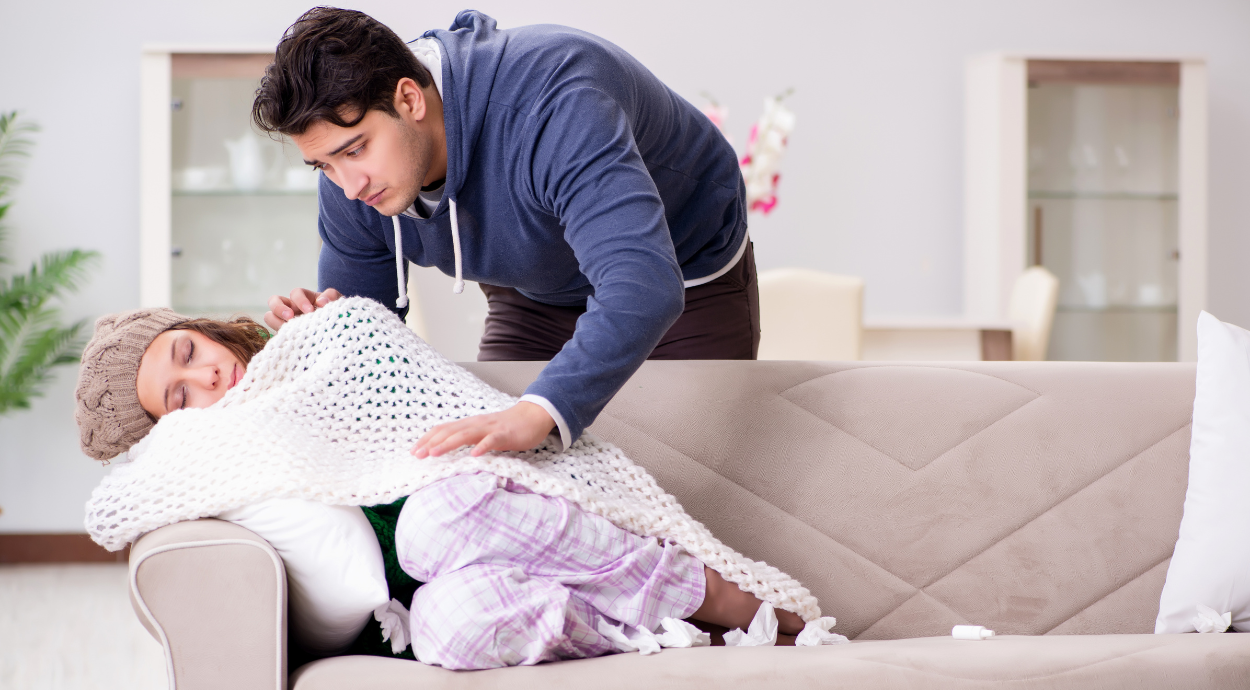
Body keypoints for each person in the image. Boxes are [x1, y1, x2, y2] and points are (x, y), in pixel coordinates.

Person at [73, 305, 810, 668]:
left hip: (477, 508)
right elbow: (112, 506)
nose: (202, 376)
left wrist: (325, 324)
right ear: (169, 434)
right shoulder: (205, 459)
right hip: (413, 608)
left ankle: (703, 591)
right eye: (176, 398)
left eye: (187, 351)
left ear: (200, 327)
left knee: (432, 523)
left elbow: (390, 363)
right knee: (448, 629)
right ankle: (671, 636)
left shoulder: (308, 342)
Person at [251, 8, 758, 463]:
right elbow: (368, 344)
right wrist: (325, 332)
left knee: (691, 479)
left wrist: (542, 409)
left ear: (409, 97)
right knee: (490, 465)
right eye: (324, 165)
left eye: (356, 150)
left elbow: (642, 286)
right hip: (534, 289)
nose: (349, 185)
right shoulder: (348, 182)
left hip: (687, 274)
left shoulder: (555, 104)